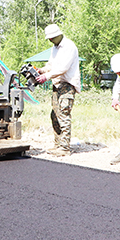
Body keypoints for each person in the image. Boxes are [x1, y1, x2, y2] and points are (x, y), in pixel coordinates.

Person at [35, 24, 81, 156]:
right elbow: (51, 64)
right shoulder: (54, 48)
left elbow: (63, 68)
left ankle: (65, 148)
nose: (49, 40)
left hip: (67, 84)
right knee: (54, 114)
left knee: (63, 114)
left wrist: (46, 77)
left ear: (57, 35)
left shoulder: (69, 47)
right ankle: (58, 144)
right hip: (57, 84)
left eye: (51, 38)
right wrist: (41, 70)